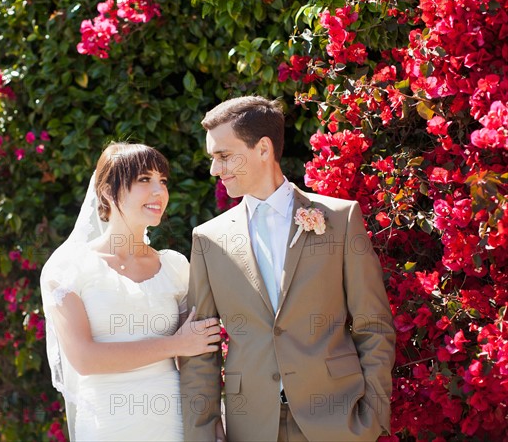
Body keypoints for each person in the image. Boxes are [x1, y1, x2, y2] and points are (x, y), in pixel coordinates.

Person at [179, 96, 396, 442]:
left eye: (223, 156)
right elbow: (200, 349)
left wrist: (371, 415)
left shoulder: (340, 220)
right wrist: (202, 433)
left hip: (338, 422)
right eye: (212, 158)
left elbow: (373, 325)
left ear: (263, 149)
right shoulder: (208, 239)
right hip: (250, 425)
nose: (214, 170)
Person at [40, 142, 221, 441]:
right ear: (108, 192)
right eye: (144, 180)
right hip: (106, 425)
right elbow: (85, 359)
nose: (159, 192)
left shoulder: (175, 266)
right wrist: (176, 344)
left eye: (162, 181)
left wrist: (212, 420)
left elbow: (197, 352)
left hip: (173, 422)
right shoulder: (67, 270)